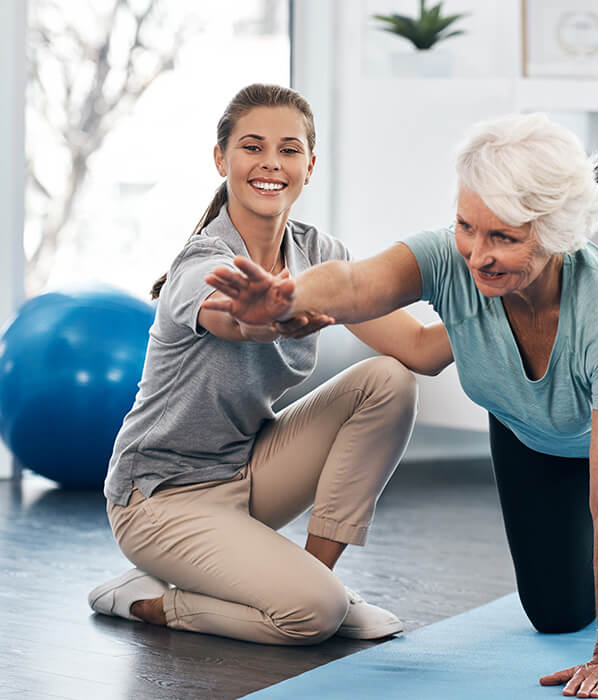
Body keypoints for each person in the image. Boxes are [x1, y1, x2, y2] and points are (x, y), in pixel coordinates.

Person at [203, 112, 598, 697]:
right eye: (466, 226)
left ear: (557, 233)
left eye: (504, 237)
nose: (476, 254)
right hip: (532, 426)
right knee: (556, 614)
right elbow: (358, 285)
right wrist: (286, 298)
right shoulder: (449, 260)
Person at [87, 83, 454, 645]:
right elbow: (236, 321)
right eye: (252, 147)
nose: (271, 164)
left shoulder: (321, 255)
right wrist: (266, 317)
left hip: (247, 472)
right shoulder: (202, 262)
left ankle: (315, 578)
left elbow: (422, 352)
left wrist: (507, 299)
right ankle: (150, 601)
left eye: (288, 150)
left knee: (389, 380)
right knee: (311, 618)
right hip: (159, 498)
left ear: (310, 165)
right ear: (221, 159)